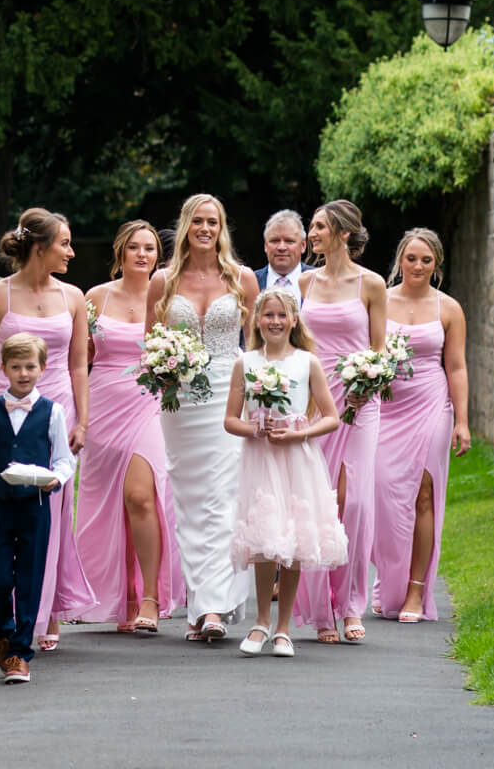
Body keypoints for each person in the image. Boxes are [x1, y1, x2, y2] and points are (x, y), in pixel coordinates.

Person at [0, 207, 98, 647]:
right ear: (39, 247)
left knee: (49, 513)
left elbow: (78, 366)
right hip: (6, 410)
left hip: (56, 411)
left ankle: (46, 612)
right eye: (64, 243)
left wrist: (82, 420)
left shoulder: (73, 297)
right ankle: (10, 607)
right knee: (9, 506)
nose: (70, 252)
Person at [145, 193, 259, 642]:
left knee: (224, 497)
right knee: (190, 502)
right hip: (181, 401)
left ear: (222, 227)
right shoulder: (163, 282)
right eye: (198, 222)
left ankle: (216, 608)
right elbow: (150, 348)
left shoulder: (242, 278)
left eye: (213, 222)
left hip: (230, 395)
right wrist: (167, 368)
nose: (205, 229)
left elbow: (257, 346)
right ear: (186, 226)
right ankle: (199, 606)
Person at [224, 288, 348, 657]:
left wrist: (299, 432)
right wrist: (255, 429)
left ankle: (283, 627)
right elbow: (231, 419)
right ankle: (261, 621)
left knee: (292, 539)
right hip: (261, 458)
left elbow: (331, 417)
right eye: (268, 315)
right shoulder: (245, 363)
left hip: (296, 457)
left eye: (282, 316)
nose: (275, 322)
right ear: (257, 321)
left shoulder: (306, 362)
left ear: (293, 320)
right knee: (266, 539)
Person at [75, 220, 182, 633]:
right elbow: (80, 359)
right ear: (121, 253)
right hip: (103, 405)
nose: (143, 255)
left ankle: (152, 596)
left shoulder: (169, 299)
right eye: (135, 247)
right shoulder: (95, 297)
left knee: (142, 495)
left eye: (150, 248)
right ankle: (125, 599)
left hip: (149, 404)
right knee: (109, 505)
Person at [294, 199, 387, 645]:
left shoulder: (371, 284)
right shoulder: (305, 282)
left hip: (359, 402)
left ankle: (351, 603)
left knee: (355, 504)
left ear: (344, 234)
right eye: (312, 226)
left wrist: (365, 383)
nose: (311, 233)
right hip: (316, 401)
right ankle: (322, 611)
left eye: (318, 227)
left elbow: (380, 351)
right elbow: (296, 343)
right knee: (319, 501)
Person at [372, 228, 471, 623]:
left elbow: (457, 366)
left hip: (432, 405)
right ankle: (387, 580)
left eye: (426, 260)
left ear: (437, 266)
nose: (417, 266)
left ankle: (415, 591)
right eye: (411, 258)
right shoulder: (380, 300)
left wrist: (461, 421)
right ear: (400, 260)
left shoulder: (449, 309)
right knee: (381, 494)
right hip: (386, 409)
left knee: (422, 495)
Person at [0, 334, 76, 683]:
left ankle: (19, 653)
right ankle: (4, 625)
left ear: (43, 369)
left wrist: (55, 480)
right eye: (16, 367)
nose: (24, 373)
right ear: (4, 369)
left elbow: (63, 459)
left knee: (29, 579)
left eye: (30, 366)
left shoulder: (52, 411)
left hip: (35, 506)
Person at [254, 209, 313, 300]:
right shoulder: (251, 282)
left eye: (289, 241)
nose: (281, 247)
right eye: (275, 241)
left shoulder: (318, 280)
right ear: (265, 246)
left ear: (303, 246)